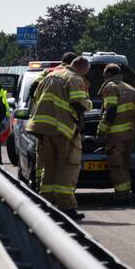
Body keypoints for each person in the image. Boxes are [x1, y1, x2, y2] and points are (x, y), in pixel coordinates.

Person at [26, 56, 91, 220]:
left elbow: (34, 96)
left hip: (44, 130)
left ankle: (47, 204)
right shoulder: (74, 78)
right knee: (68, 167)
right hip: (63, 130)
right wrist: (89, 104)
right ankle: (67, 207)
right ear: (82, 68)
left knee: (49, 167)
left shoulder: (49, 76)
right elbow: (79, 103)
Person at [97, 64, 135, 200]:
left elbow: (110, 111)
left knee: (116, 165)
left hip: (116, 135)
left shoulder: (110, 87)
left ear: (108, 75)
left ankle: (121, 195)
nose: (103, 78)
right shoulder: (131, 89)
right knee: (125, 164)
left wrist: (101, 131)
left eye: (104, 76)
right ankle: (125, 193)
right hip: (129, 134)